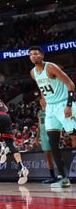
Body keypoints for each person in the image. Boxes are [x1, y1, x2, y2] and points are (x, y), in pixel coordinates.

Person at [30, 45, 76, 189]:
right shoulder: (32, 72)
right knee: (52, 143)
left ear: (42, 56)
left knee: (74, 136)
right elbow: (42, 86)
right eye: (31, 54)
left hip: (64, 104)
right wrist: (43, 99)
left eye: (36, 54)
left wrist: (69, 105)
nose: (34, 56)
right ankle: (63, 178)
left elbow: (70, 84)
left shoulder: (51, 67)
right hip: (50, 108)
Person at [38, 107, 59, 184]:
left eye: (43, 99)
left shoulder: (51, 109)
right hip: (43, 135)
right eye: (40, 100)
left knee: (56, 155)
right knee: (48, 157)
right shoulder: (40, 112)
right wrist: (37, 139)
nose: (42, 101)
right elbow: (39, 125)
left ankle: (61, 175)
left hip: (51, 133)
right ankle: (53, 177)